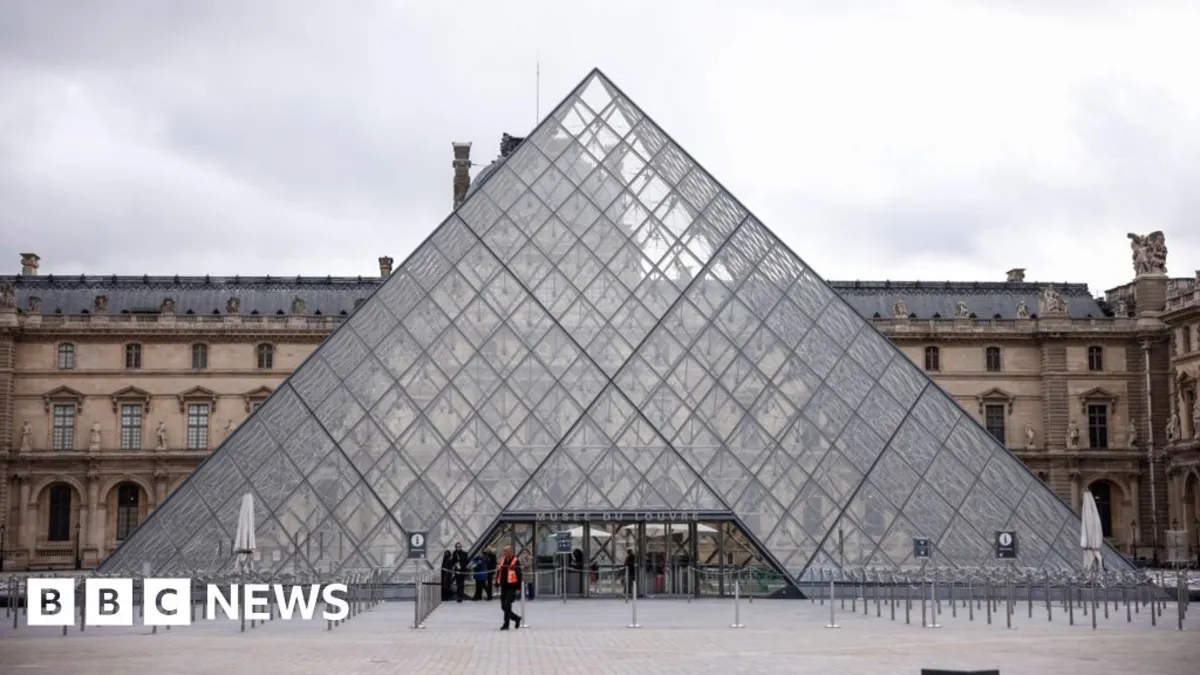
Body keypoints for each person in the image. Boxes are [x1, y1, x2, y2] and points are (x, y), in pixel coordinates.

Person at [495, 545, 523, 630]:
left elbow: (519, 575)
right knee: (503, 606)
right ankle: (516, 618)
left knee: (507, 605)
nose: (504, 553)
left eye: (506, 551)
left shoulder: (515, 561)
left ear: (511, 551)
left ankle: (506, 624)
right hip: (504, 586)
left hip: (512, 586)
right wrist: (496, 582)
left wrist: (518, 589)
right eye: (504, 551)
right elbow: (499, 571)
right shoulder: (503, 560)